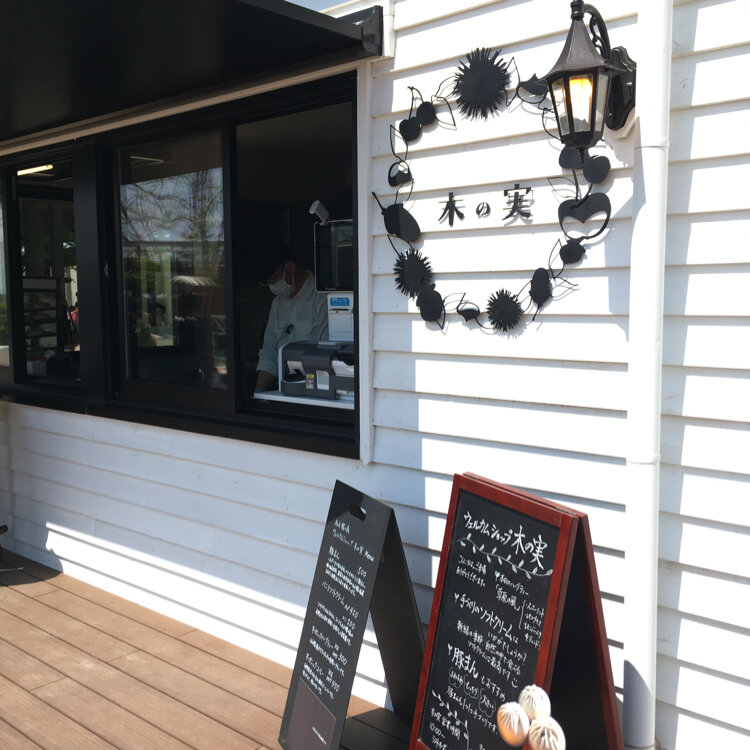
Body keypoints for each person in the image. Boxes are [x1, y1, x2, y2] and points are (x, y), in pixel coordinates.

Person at [255, 248, 328, 392]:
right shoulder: (277, 304)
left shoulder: (322, 299)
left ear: (290, 268)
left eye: (273, 280)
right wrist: (259, 392)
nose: (272, 287)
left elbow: (326, 355)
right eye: (268, 283)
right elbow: (269, 353)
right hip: (283, 389)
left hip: (314, 390)